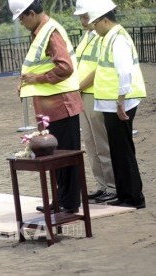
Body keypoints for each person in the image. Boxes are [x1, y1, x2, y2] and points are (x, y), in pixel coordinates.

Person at [8, 0, 84, 213]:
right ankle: (61, 200)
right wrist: (27, 82)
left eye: (21, 18)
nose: (21, 23)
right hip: (49, 107)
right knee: (55, 157)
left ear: (30, 13)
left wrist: (37, 79)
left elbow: (65, 67)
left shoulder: (51, 32)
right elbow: (38, 66)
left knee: (65, 156)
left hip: (62, 105)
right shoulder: (40, 33)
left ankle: (69, 203)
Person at [87, 0, 146, 209]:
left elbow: (124, 73)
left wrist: (120, 103)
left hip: (120, 104)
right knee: (118, 150)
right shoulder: (109, 37)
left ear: (104, 19)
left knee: (123, 151)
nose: (93, 27)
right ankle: (125, 194)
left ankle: (132, 197)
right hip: (112, 104)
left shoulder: (117, 39)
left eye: (95, 23)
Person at [73, 0, 116, 203]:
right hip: (82, 95)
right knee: (90, 143)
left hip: (94, 94)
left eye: (85, 16)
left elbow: (98, 68)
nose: (82, 21)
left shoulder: (103, 37)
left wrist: (79, 86)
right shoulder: (87, 36)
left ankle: (113, 186)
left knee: (102, 142)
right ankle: (102, 185)